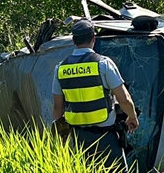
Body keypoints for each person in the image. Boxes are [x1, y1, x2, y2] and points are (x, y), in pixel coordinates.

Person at [52, 19, 139, 172]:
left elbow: (58, 109)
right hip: (106, 138)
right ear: (93, 38)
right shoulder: (103, 64)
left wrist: (62, 137)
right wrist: (132, 117)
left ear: (73, 40)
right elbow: (124, 99)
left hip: (79, 139)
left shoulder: (60, 69)